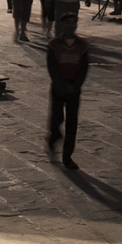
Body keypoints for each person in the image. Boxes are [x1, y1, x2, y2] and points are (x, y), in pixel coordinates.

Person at [45, 16, 89, 170]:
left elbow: (84, 69)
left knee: (72, 124)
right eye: (67, 23)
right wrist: (61, 85)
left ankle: (67, 157)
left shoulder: (82, 46)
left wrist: (76, 86)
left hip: (74, 89)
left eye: (73, 23)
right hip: (58, 88)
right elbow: (52, 68)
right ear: (61, 25)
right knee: (56, 119)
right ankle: (53, 139)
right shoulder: (53, 45)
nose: (70, 27)